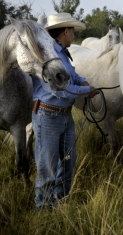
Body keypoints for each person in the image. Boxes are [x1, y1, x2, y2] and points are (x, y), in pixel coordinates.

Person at [32, 12, 98, 209]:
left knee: (68, 162)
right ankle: (43, 207)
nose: (74, 36)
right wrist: (87, 90)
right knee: (48, 167)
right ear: (66, 31)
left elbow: (72, 75)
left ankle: (59, 200)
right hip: (48, 116)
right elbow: (62, 89)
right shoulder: (48, 55)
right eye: (73, 32)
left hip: (64, 116)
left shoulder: (62, 53)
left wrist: (82, 81)